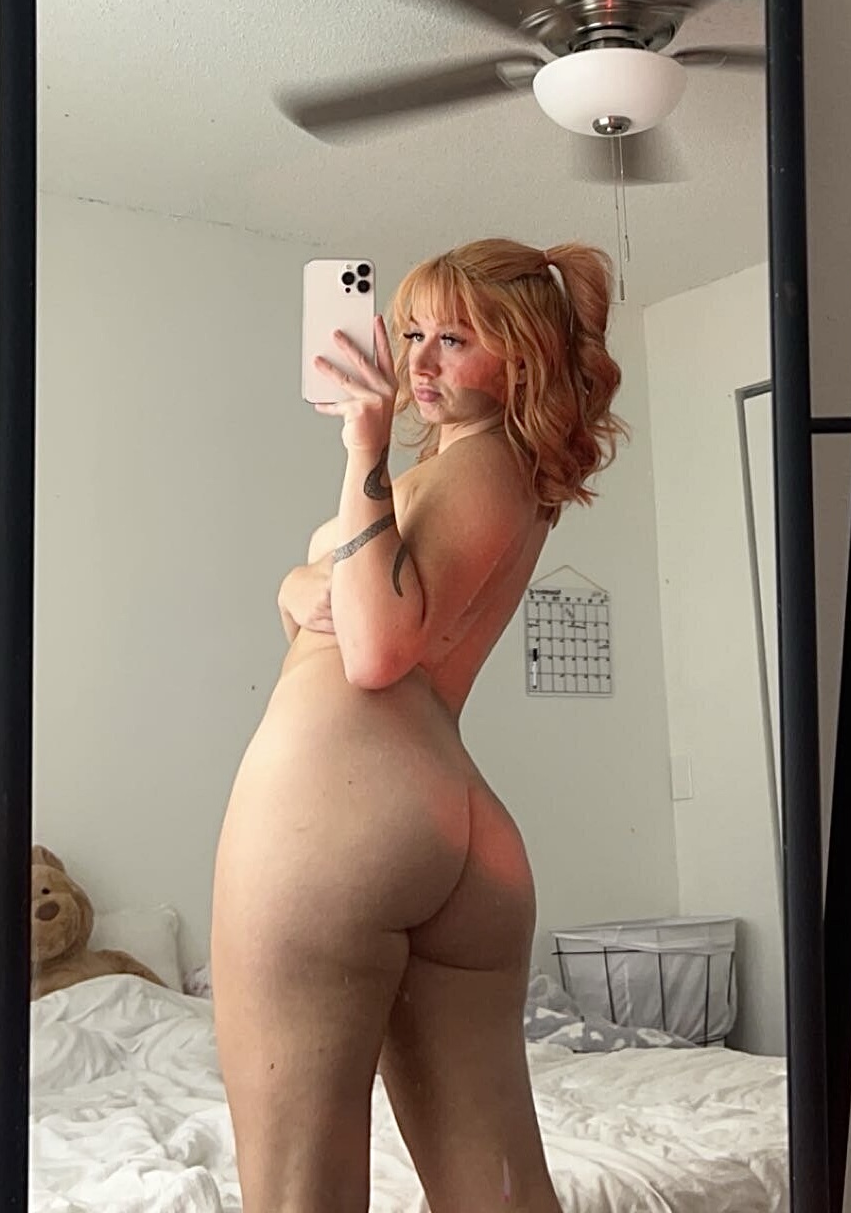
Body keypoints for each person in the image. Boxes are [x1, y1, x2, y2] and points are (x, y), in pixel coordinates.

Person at [210, 236, 625, 1213]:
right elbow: (359, 606)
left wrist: (362, 449)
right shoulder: (490, 474)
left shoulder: (481, 464)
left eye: (455, 339)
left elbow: (372, 652)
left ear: (522, 358)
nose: (420, 361)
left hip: (336, 815)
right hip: (444, 820)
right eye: (411, 335)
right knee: (498, 1189)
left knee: (297, 1191)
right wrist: (298, 581)